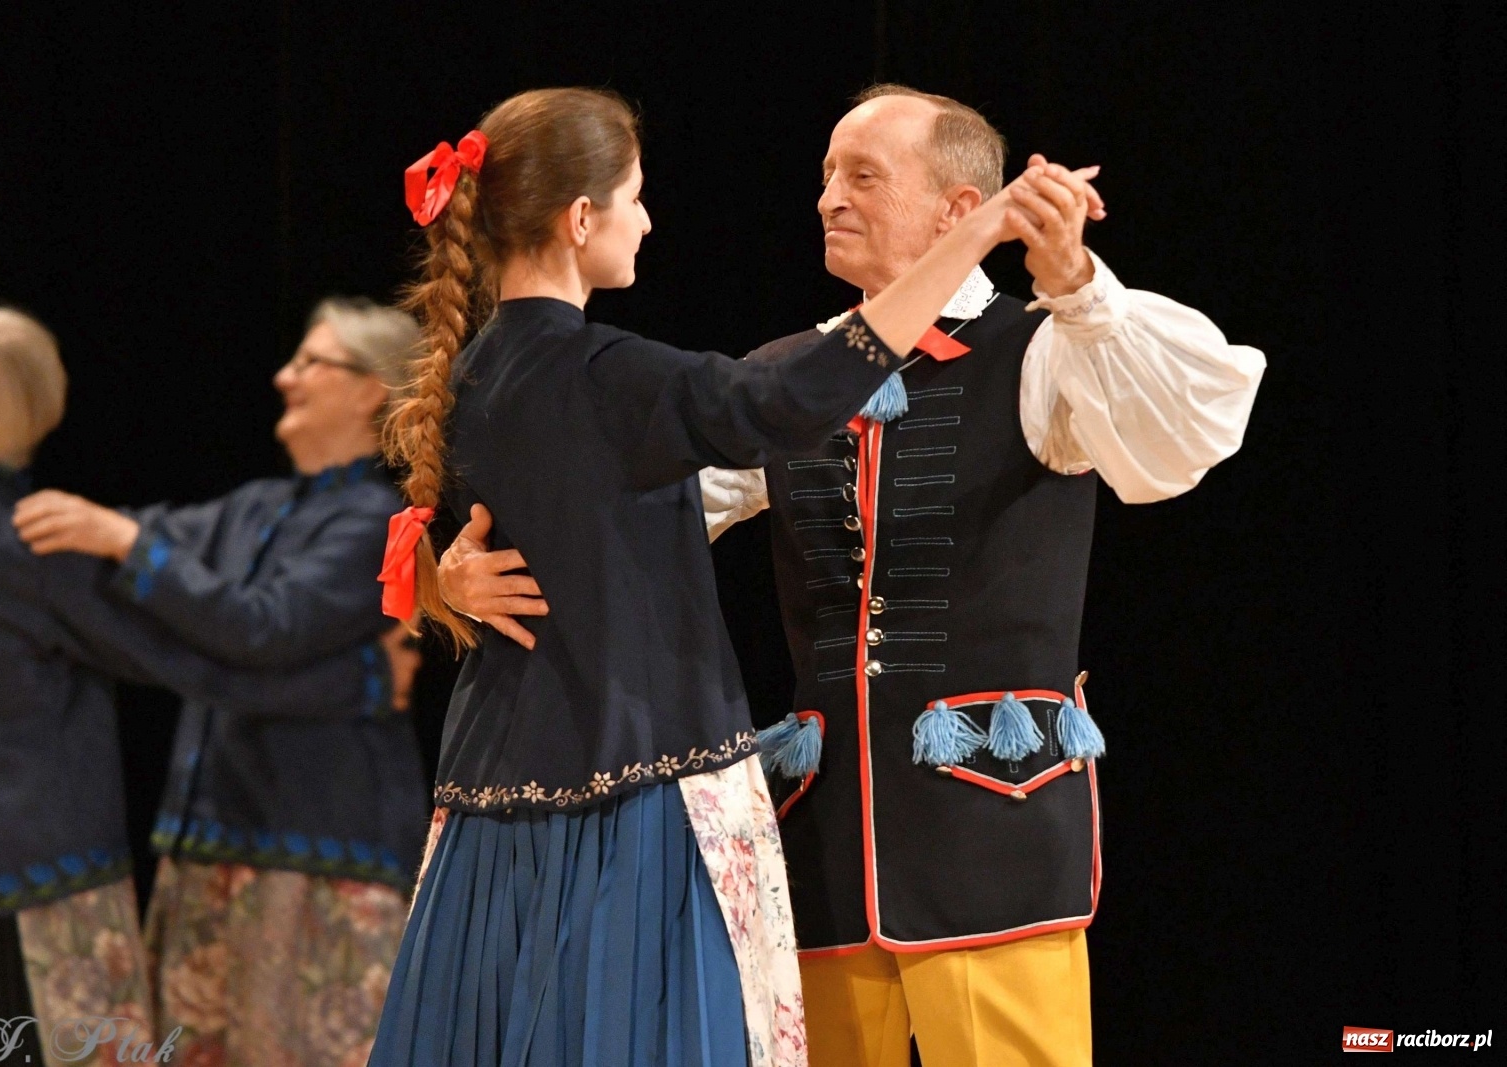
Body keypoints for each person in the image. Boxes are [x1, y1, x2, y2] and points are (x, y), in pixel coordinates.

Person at [439, 85, 1265, 1067]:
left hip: (993, 830)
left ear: (961, 210)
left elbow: (1181, 436)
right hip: (824, 846)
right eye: (827, 174)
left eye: (862, 175)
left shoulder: (1046, 348)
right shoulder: (787, 376)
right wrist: (444, 572)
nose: (828, 197)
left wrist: (1078, 283)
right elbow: (604, 512)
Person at [0, 308, 401, 1067]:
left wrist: (126, 543)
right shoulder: (245, 510)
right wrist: (363, 679)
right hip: (184, 854)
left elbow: (258, 630)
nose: (284, 376)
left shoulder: (372, 518)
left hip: (314, 847)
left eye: (310, 362)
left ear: (373, 390)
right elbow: (187, 632)